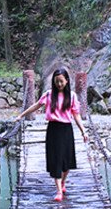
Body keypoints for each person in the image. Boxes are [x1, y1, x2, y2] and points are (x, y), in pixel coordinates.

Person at [16, 68, 89, 201]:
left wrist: (83, 131)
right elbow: (36, 106)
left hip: (66, 130)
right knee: (56, 161)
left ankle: (63, 182)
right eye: (56, 82)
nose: (59, 84)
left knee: (67, 162)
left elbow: (76, 116)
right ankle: (59, 191)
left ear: (67, 81)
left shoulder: (72, 96)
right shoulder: (49, 95)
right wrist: (21, 115)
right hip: (53, 130)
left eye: (61, 81)